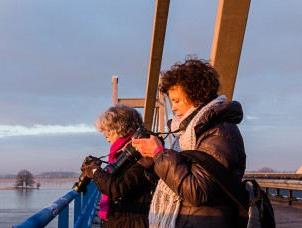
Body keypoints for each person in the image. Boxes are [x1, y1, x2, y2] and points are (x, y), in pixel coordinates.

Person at [131, 56, 247, 228]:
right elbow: (175, 184)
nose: (173, 108)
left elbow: (196, 190)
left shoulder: (220, 133)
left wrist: (159, 153)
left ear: (198, 96)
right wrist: (152, 161)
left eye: (177, 100)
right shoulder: (188, 133)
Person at [81, 103, 158, 227]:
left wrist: (95, 171)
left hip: (132, 222)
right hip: (121, 219)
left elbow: (118, 189)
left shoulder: (140, 152)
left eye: (108, 132)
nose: (106, 138)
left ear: (120, 129)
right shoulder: (121, 154)